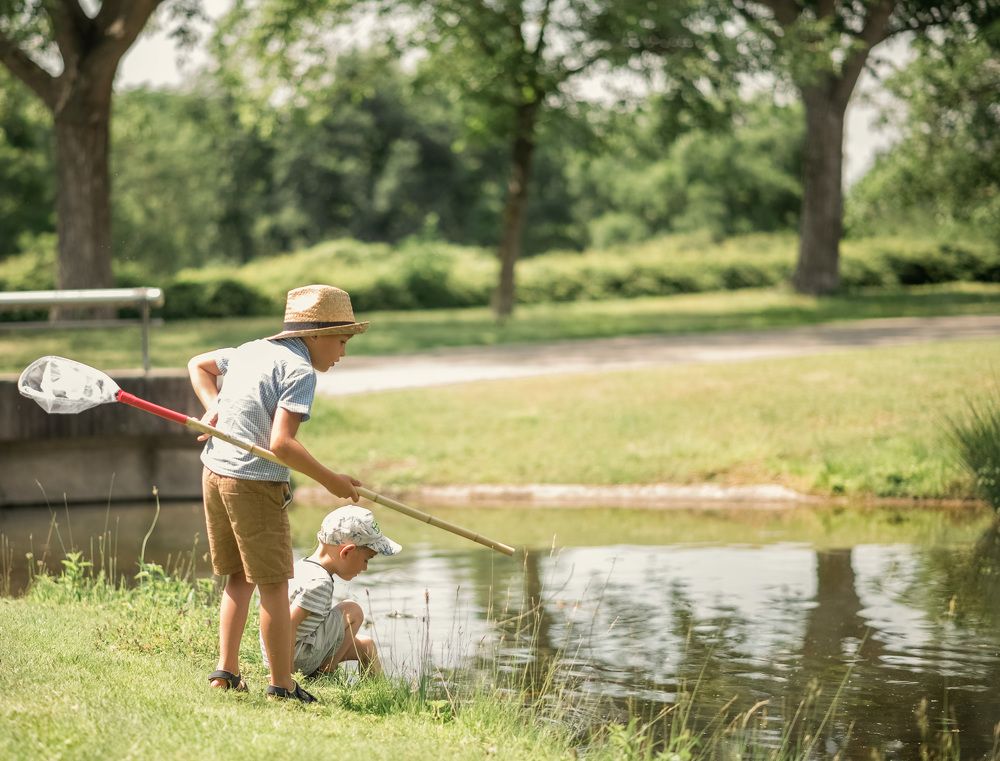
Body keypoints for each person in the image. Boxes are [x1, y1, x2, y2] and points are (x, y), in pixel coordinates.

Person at [188, 284, 368, 703]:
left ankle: (226, 671)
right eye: (341, 341)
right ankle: (282, 685)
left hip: (215, 474)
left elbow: (199, 364)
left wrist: (212, 404)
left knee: (237, 577)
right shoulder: (300, 372)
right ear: (317, 335)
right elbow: (281, 444)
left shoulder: (252, 350)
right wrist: (331, 480)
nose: (342, 353)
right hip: (253, 482)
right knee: (273, 583)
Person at [264, 505, 401, 681]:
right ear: (347, 551)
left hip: (277, 656)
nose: (365, 567)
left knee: (367, 646)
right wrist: (286, 676)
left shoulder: (300, 567)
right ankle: (326, 670)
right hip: (292, 660)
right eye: (366, 559)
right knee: (353, 611)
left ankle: (379, 693)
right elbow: (288, 624)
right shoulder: (320, 583)